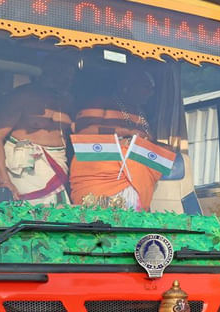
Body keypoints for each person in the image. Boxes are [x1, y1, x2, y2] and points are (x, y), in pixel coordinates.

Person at [70, 64, 177, 210]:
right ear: (127, 86)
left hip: (135, 179)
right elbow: (83, 132)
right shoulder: (101, 104)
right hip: (102, 177)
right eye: (146, 86)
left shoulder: (140, 113)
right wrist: (123, 133)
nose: (151, 92)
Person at [0, 53, 76, 204]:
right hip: (27, 167)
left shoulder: (68, 101)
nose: (62, 77)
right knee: (30, 214)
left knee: (58, 216)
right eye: (58, 71)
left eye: (67, 73)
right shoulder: (22, 96)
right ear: (44, 71)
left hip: (58, 164)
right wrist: (4, 181)